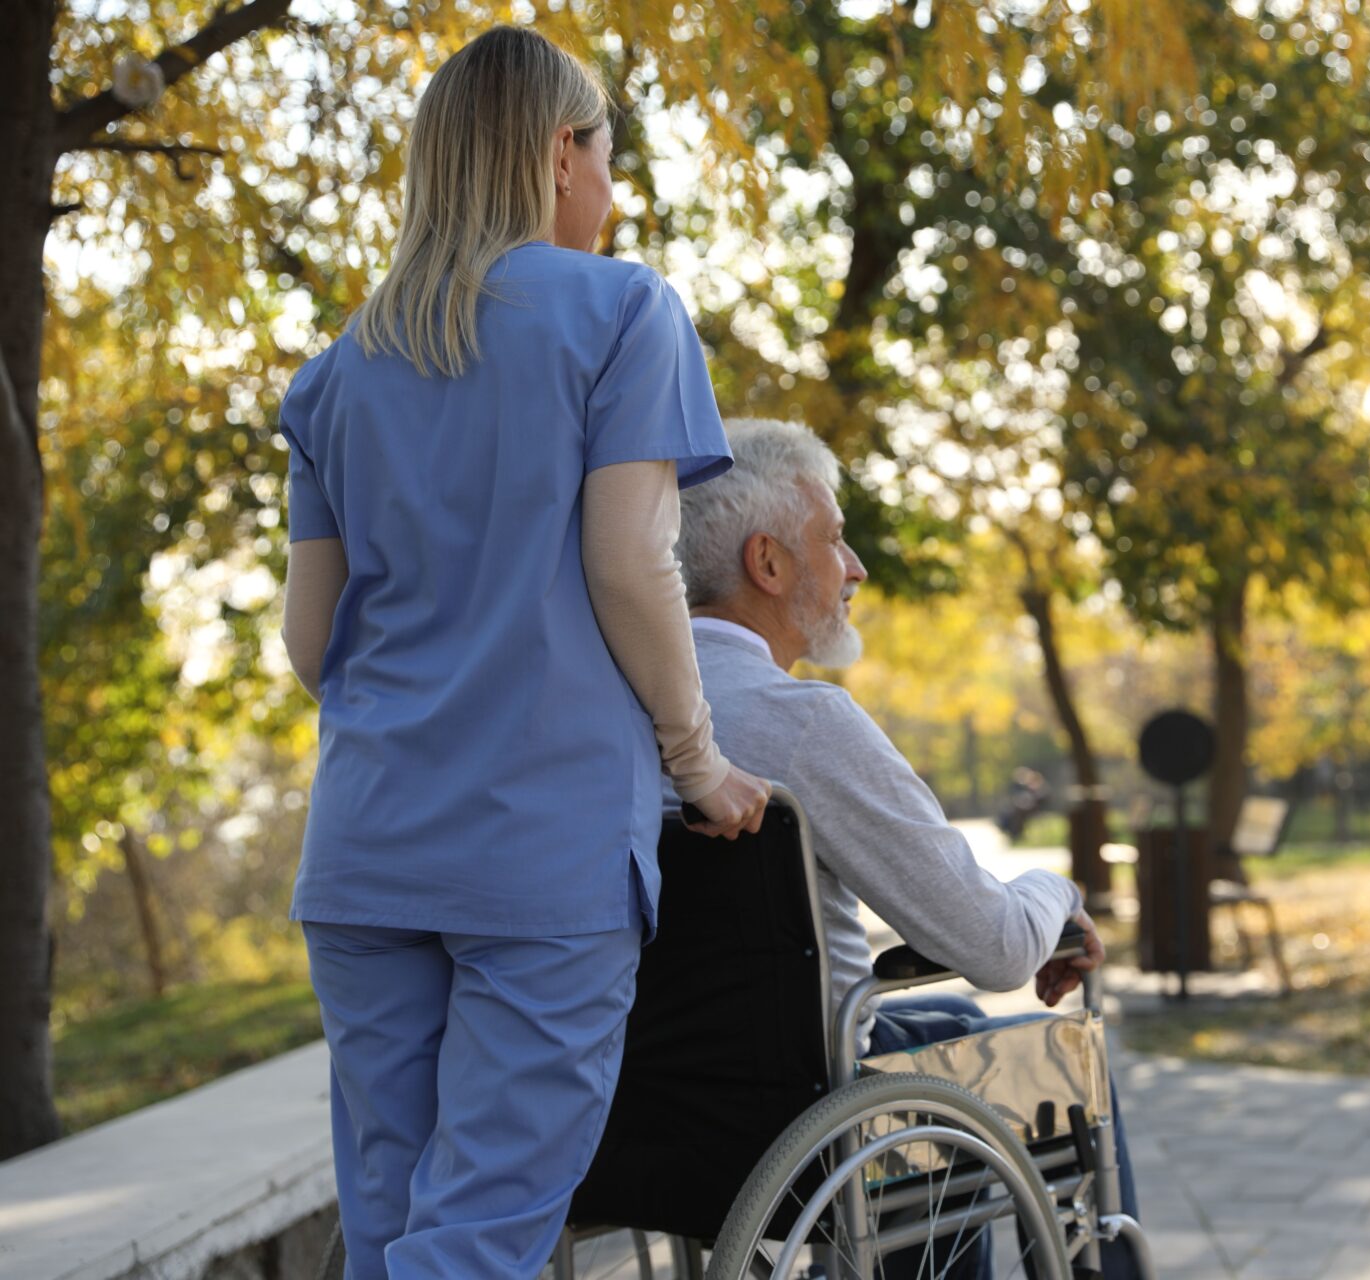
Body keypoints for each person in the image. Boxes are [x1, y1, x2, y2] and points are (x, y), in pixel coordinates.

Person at [276, 28, 770, 1279]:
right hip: (539, 851)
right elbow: (632, 567)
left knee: (393, 1225)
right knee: (482, 1236)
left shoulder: (336, 372)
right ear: (563, 153)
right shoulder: (623, 313)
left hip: (367, 843)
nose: (611, 189)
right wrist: (700, 763)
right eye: (608, 155)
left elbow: (310, 638)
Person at [674, 417, 1141, 1278]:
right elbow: (997, 947)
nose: (854, 569)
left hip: (651, 1124)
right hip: (805, 1122)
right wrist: (1057, 894)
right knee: (1056, 1064)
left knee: (951, 1028)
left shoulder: (601, 714)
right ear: (768, 563)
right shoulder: (803, 724)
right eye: (836, 539)